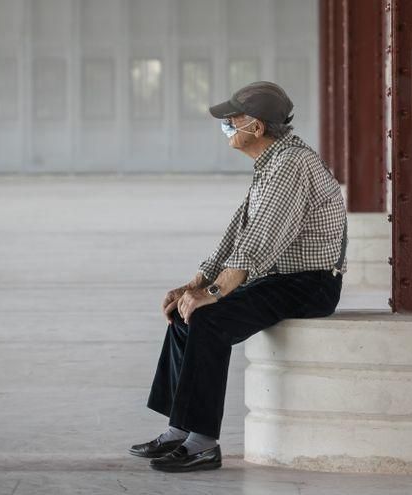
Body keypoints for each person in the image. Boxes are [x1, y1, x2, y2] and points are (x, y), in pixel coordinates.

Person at [128, 81, 348, 472]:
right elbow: (237, 232)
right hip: (279, 278)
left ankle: (203, 444)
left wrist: (214, 293)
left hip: (309, 283)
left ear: (258, 127)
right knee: (184, 312)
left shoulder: (289, 166)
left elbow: (259, 243)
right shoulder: (272, 162)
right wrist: (194, 284)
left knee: (209, 319)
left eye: (233, 119)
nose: (227, 125)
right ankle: (179, 430)